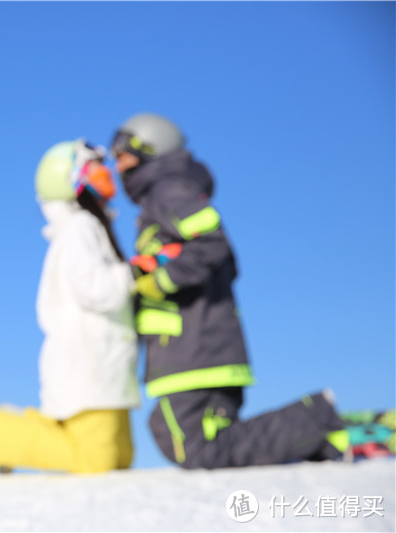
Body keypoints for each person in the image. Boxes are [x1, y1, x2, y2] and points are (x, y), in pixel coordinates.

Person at [110, 112, 351, 468]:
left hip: (195, 350)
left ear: (150, 147)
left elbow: (212, 244)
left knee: (194, 448)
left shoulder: (168, 190)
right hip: (195, 350)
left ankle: (323, 423)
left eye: (122, 154)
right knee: (197, 439)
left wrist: (157, 282)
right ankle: (335, 438)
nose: (117, 166)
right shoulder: (162, 198)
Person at [0, 139, 140, 475]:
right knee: (96, 463)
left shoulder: (88, 228)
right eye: (95, 168)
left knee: (121, 458)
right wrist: (133, 273)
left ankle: (10, 426)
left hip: (109, 368)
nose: (106, 176)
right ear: (71, 179)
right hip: (90, 366)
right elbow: (96, 290)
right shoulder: (80, 228)